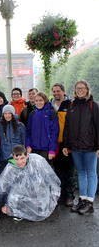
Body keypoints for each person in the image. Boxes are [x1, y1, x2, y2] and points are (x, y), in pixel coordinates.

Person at [0, 145, 61, 221]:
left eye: (22, 158)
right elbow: (5, 185)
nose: (20, 162)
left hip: (37, 190)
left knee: (41, 206)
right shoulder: (11, 166)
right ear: (13, 157)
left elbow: (50, 178)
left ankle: (33, 206)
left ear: (27, 155)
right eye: (17, 159)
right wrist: (7, 204)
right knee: (13, 197)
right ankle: (18, 212)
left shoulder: (37, 161)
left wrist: (53, 197)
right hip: (21, 192)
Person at [63, 80, 99, 215]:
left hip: (90, 146)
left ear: (87, 90)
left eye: (82, 88)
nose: (80, 90)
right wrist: (66, 144)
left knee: (91, 173)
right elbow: (67, 127)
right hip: (75, 147)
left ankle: (90, 202)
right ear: (74, 90)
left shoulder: (93, 105)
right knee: (81, 173)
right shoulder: (72, 105)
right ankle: (82, 199)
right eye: (78, 88)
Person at [51, 83, 75, 207]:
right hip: (55, 144)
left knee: (69, 170)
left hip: (67, 143)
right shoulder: (51, 106)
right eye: (54, 91)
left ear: (63, 92)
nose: (56, 93)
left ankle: (70, 195)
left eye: (58, 91)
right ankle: (61, 194)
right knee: (58, 170)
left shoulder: (70, 105)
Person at [26, 92, 59, 165]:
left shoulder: (52, 113)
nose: (38, 102)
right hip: (34, 149)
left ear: (45, 100)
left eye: (40, 100)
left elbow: (54, 133)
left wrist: (52, 150)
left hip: (46, 149)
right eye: (36, 101)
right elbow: (29, 132)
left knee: (46, 173)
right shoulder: (33, 114)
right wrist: (28, 145)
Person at [0, 105, 26, 171]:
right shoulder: (0, 126)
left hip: (17, 157)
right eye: (5, 113)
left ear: (13, 114)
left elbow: (24, 141)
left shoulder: (20, 126)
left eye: (9, 113)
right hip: (4, 157)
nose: (7, 115)